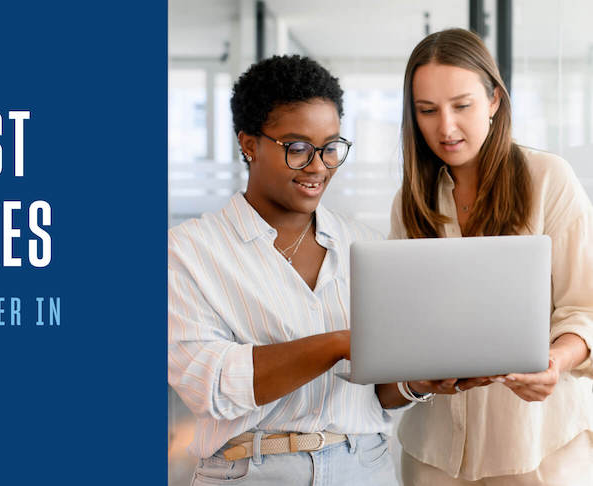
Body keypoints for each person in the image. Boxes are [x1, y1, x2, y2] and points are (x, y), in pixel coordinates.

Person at [168, 55, 402, 485]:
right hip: (251, 470)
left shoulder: (365, 245)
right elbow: (212, 387)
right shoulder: (189, 252)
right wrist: (337, 344)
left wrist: (421, 381)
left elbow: (381, 392)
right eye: (297, 148)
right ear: (249, 144)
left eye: (331, 147)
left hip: (364, 466)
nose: (318, 166)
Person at [387, 28, 593, 485]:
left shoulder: (548, 179)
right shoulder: (411, 200)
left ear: (494, 101)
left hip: (538, 451)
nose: (445, 127)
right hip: (432, 456)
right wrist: (420, 373)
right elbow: (403, 324)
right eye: (427, 111)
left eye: (462, 106)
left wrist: (555, 362)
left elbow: (585, 307)